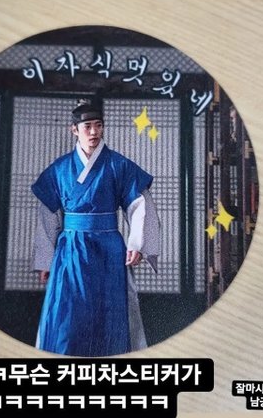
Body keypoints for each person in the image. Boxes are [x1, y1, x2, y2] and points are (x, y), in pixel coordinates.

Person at [31, 102, 160, 356]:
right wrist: (46, 260)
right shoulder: (60, 169)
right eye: (87, 126)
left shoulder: (117, 165)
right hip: (71, 250)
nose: (94, 132)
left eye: (98, 126)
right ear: (74, 130)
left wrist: (136, 243)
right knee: (67, 313)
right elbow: (48, 214)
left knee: (110, 311)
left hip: (108, 249)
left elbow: (138, 204)